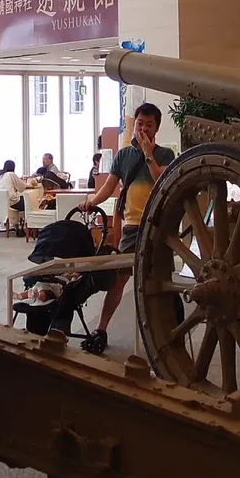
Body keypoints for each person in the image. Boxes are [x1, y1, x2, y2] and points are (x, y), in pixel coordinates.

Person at [81, 103, 175, 340]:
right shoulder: (123, 155)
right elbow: (109, 187)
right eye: (140, 123)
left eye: (149, 124)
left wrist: (148, 154)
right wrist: (91, 202)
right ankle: (101, 329)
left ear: (157, 128)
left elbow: (161, 180)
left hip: (156, 226)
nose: (143, 128)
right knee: (119, 281)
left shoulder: (166, 154)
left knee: (158, 282)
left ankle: (162, 335)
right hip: (132, 227)